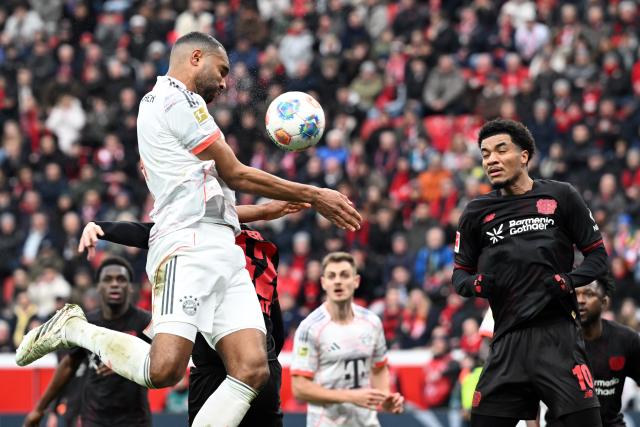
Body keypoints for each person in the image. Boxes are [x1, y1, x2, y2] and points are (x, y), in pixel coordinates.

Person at [16, 32, 361, 427]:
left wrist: (268, 212)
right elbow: (233, 171)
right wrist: (315, 194)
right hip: (186, 246)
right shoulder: (171, 99)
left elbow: (215, 198)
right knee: (164, 370)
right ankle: (75, 328)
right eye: (222, 70)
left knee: (253, 368)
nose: (226, 81)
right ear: (196, 57)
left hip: (223, 247)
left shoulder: (189, 108)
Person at [77, 200, 304, 427]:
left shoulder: (195, 237)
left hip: (210, 360)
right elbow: (274, 318)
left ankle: (73, 329)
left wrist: (102, 228)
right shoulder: (263, 249)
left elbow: (149, 233)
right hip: (259, 354)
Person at [452, 118, 608, 427]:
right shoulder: (475, 212)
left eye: (500, 150)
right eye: (485, 154)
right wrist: (479, 285)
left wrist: (568, 281)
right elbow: (460, 277)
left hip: (558, 341)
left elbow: (598, 258)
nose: (491, 160)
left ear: (524, 156)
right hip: (506, 343)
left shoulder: (561, 196)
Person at [23, 257, 152, 427]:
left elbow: (161, 363)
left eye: (121, 280)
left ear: (129, 287)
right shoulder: (86, 324)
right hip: (94, 418)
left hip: (135, 419)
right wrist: (39, 409)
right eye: (108, 279)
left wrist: (127, 361)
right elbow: (68, 366)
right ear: (98, 287)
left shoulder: (145, 322)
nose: (115, 284)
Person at [291, 251, 404, 427]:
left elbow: (379, 367)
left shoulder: (372, 322)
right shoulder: (310, 328)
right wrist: (352, 396)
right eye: (331, 276)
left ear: (356, 281)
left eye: (344, 275)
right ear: (323, 283)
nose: (338, 281)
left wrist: (385, 397)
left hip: (366, 423)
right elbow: (299, 389)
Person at [547, 277, 640, 427]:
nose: (581, 300)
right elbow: (527, 392)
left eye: (589, 294)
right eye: (575, 294)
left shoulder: (626, 340)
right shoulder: (554, 340)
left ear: (604, 302)